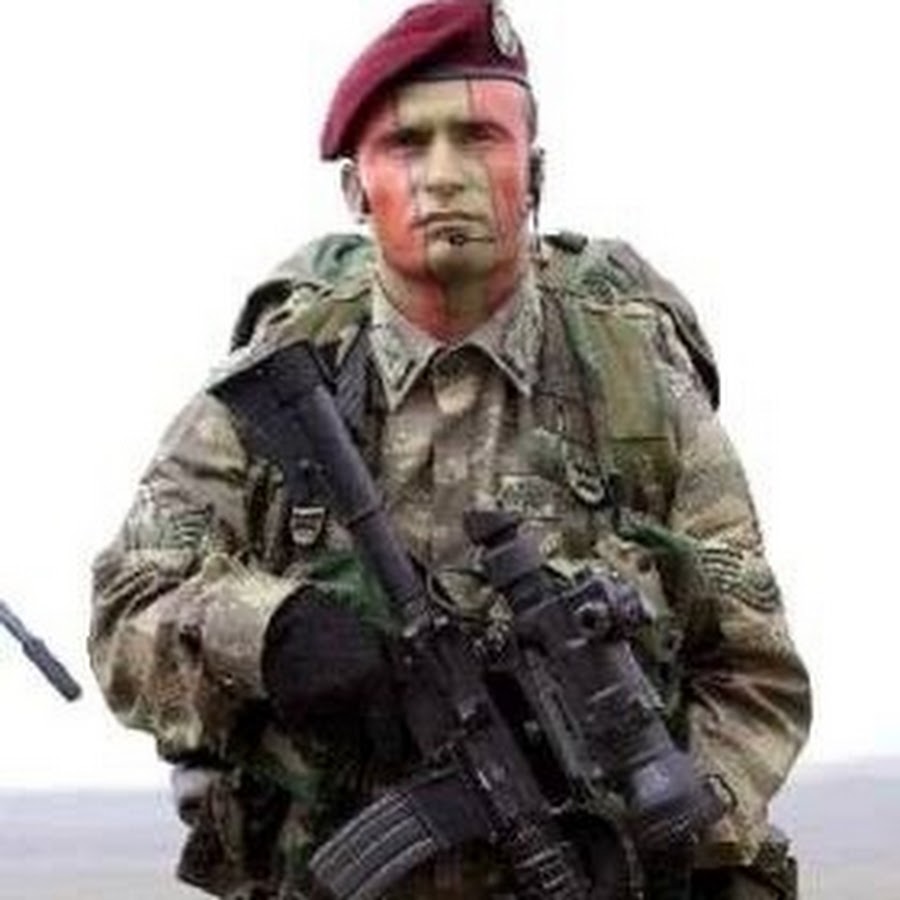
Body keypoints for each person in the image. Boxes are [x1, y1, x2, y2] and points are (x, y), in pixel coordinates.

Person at [89, 2, 811, 898]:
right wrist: (271, 633)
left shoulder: (637, 386)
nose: (443, 175)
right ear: (356, 190)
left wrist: (675, 838)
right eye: (406, 145)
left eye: (478, 138)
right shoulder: (276, 384)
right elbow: (126, 612)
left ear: (533, 172)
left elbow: (752, 671)